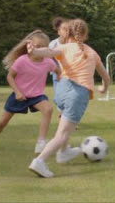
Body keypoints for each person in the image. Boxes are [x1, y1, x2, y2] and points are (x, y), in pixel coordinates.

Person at [27, 19, 110, 178]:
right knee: (63, 134)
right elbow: (106, 78)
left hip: (61, 90)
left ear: (68, 32)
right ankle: (39, 162)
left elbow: (46, 52)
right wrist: (103, 88)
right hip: (77, 95)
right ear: (84, 35)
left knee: (63, 124)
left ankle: (64, 152)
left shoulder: (62, 47)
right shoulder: (92, 52)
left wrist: (33, 51)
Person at [0, 30, 61, 154]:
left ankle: (41, 142)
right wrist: (17, 92)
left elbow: (59, 72)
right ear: (30, 46)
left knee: (48, 109)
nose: (41, 50)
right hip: (19, 95)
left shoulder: (48, 62)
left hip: (37, 96)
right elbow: (10, 77)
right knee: (2, 122)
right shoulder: (22, 60)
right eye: (38, 46)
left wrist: (61, 80)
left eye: (44, 47)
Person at [49, 17, 67, 118]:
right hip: (57, 74)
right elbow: (50, 59)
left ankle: (68, 117)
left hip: (70, 74)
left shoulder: (72, 43)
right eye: (63, 29)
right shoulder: (53, 44)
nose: (66, 32)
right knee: (57, 98)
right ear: (58, 31)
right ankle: (63, 111)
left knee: (69, 97)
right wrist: (57, 71)